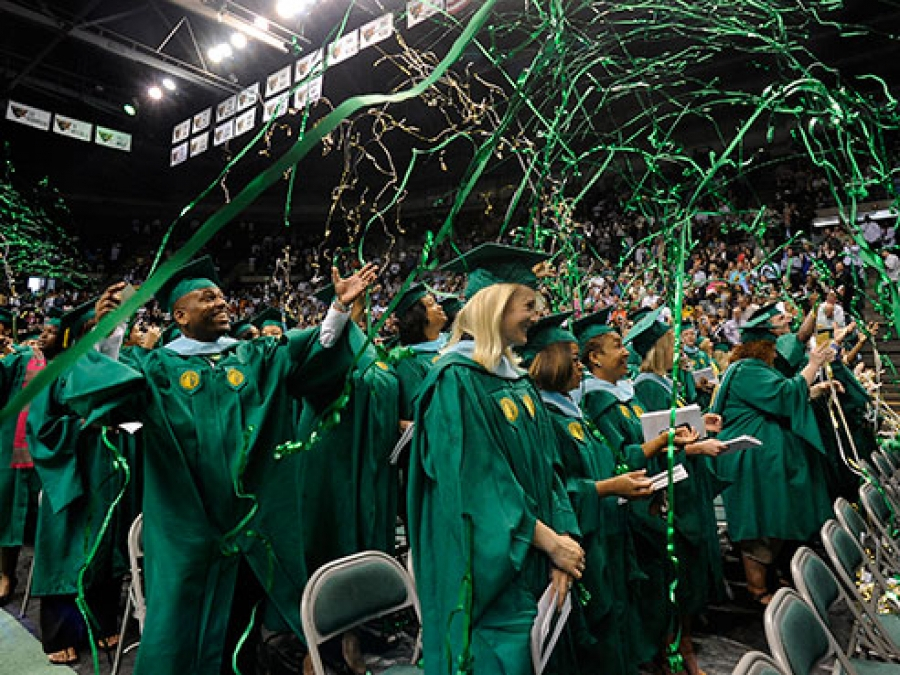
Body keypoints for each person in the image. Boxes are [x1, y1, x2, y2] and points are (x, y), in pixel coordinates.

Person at [58, 256, 378, 675]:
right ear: (180, 315)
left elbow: (309, 358)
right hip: (186, 531)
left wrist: (338, 310)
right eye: (208, 296)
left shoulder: (255, 358)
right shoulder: (155, 368)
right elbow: (104, 393)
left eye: (222, 295)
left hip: (249, 529)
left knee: (243, 636)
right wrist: (110, 333)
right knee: (178, 634)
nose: (222, 301)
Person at [408, 244, 585, 675]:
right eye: (528, 306)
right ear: (496, 306)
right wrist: (550, 544)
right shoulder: (455, 381)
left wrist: (564, 546)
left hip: (538, 560)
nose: (535, 316)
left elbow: (551, 471)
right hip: (493, 573)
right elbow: (479, 487)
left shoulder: (518, 383)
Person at [521, 312, 652, 674]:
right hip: (581, 541)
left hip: (609, 531)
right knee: (595, 631)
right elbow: (551, 491)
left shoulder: (573, 412)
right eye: (574, 359)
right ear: (553, 362)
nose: (581, 368)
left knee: (617, 619)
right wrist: (609, 487)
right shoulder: (544, 418)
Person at [572, 309, 696, 668]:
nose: (626, 351)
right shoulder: (597, 400)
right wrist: (662, 442)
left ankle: (663, 652)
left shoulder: (619, 394)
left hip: (646, 499)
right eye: (616, 346)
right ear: (594, 358)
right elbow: (619, 459)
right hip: (628, 509)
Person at [27, 296, 134, 665]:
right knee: (65, 549)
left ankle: (102, 623)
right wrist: (84, 427)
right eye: (96, 330)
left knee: (106, 548)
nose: (109, 335)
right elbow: (40, 429)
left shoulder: (120, 368)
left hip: (108, 470)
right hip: (69, 474)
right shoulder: (57, 372)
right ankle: (60, 632)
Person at [711, 305, 838, 606]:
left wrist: (814, 388)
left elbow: (784, 383)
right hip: (750, 458)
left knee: (777, 515)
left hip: (764, 455)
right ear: (764, 346)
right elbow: (784, 396)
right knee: (761, 520)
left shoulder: (757, 368)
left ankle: (774, 575)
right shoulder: (748, 371)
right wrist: (813, 364)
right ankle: (757, 589)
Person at [628, 310, 727, 675]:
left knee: (688, 570)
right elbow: (657, 441)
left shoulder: (665, 381)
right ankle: (676, 648)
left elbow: (681, 430)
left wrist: (703, 426)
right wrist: (696, 447)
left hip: (689, 481)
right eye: (671, 345)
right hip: (675, 487)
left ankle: (682, 643)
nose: (679, 353)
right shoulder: (647, 386)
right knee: (677, 571)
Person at [0, 307, 45, 607]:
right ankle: (5, 574)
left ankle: (13, 575)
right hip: (10, 450)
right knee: (4, 511)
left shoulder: (30, 358)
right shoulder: (15, 360)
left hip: (41, 451)